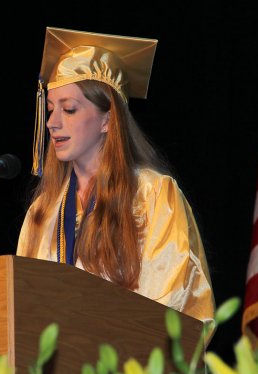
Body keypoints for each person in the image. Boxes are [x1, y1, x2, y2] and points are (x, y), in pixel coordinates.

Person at [17, 27, 215, 324]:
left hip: (126, 365)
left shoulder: (153, 195)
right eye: (50, 109)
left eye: (69, 109)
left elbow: (171, 299)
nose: (52, 123)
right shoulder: (43, 212)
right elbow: (25, 307)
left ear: (107, 120)